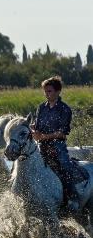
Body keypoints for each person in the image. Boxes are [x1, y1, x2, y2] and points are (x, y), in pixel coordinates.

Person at [31, 76, 79, 211]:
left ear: (58, 91)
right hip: (40, 145)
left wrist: (44, 136)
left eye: (50, 91)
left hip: (58, 146)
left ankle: (72, 197)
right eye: (45, 91)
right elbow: (37, 124)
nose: (47, 94)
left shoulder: (65, 109)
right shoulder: (41, 107)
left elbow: (62, 133)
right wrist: (33, 129)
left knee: (65, 166)